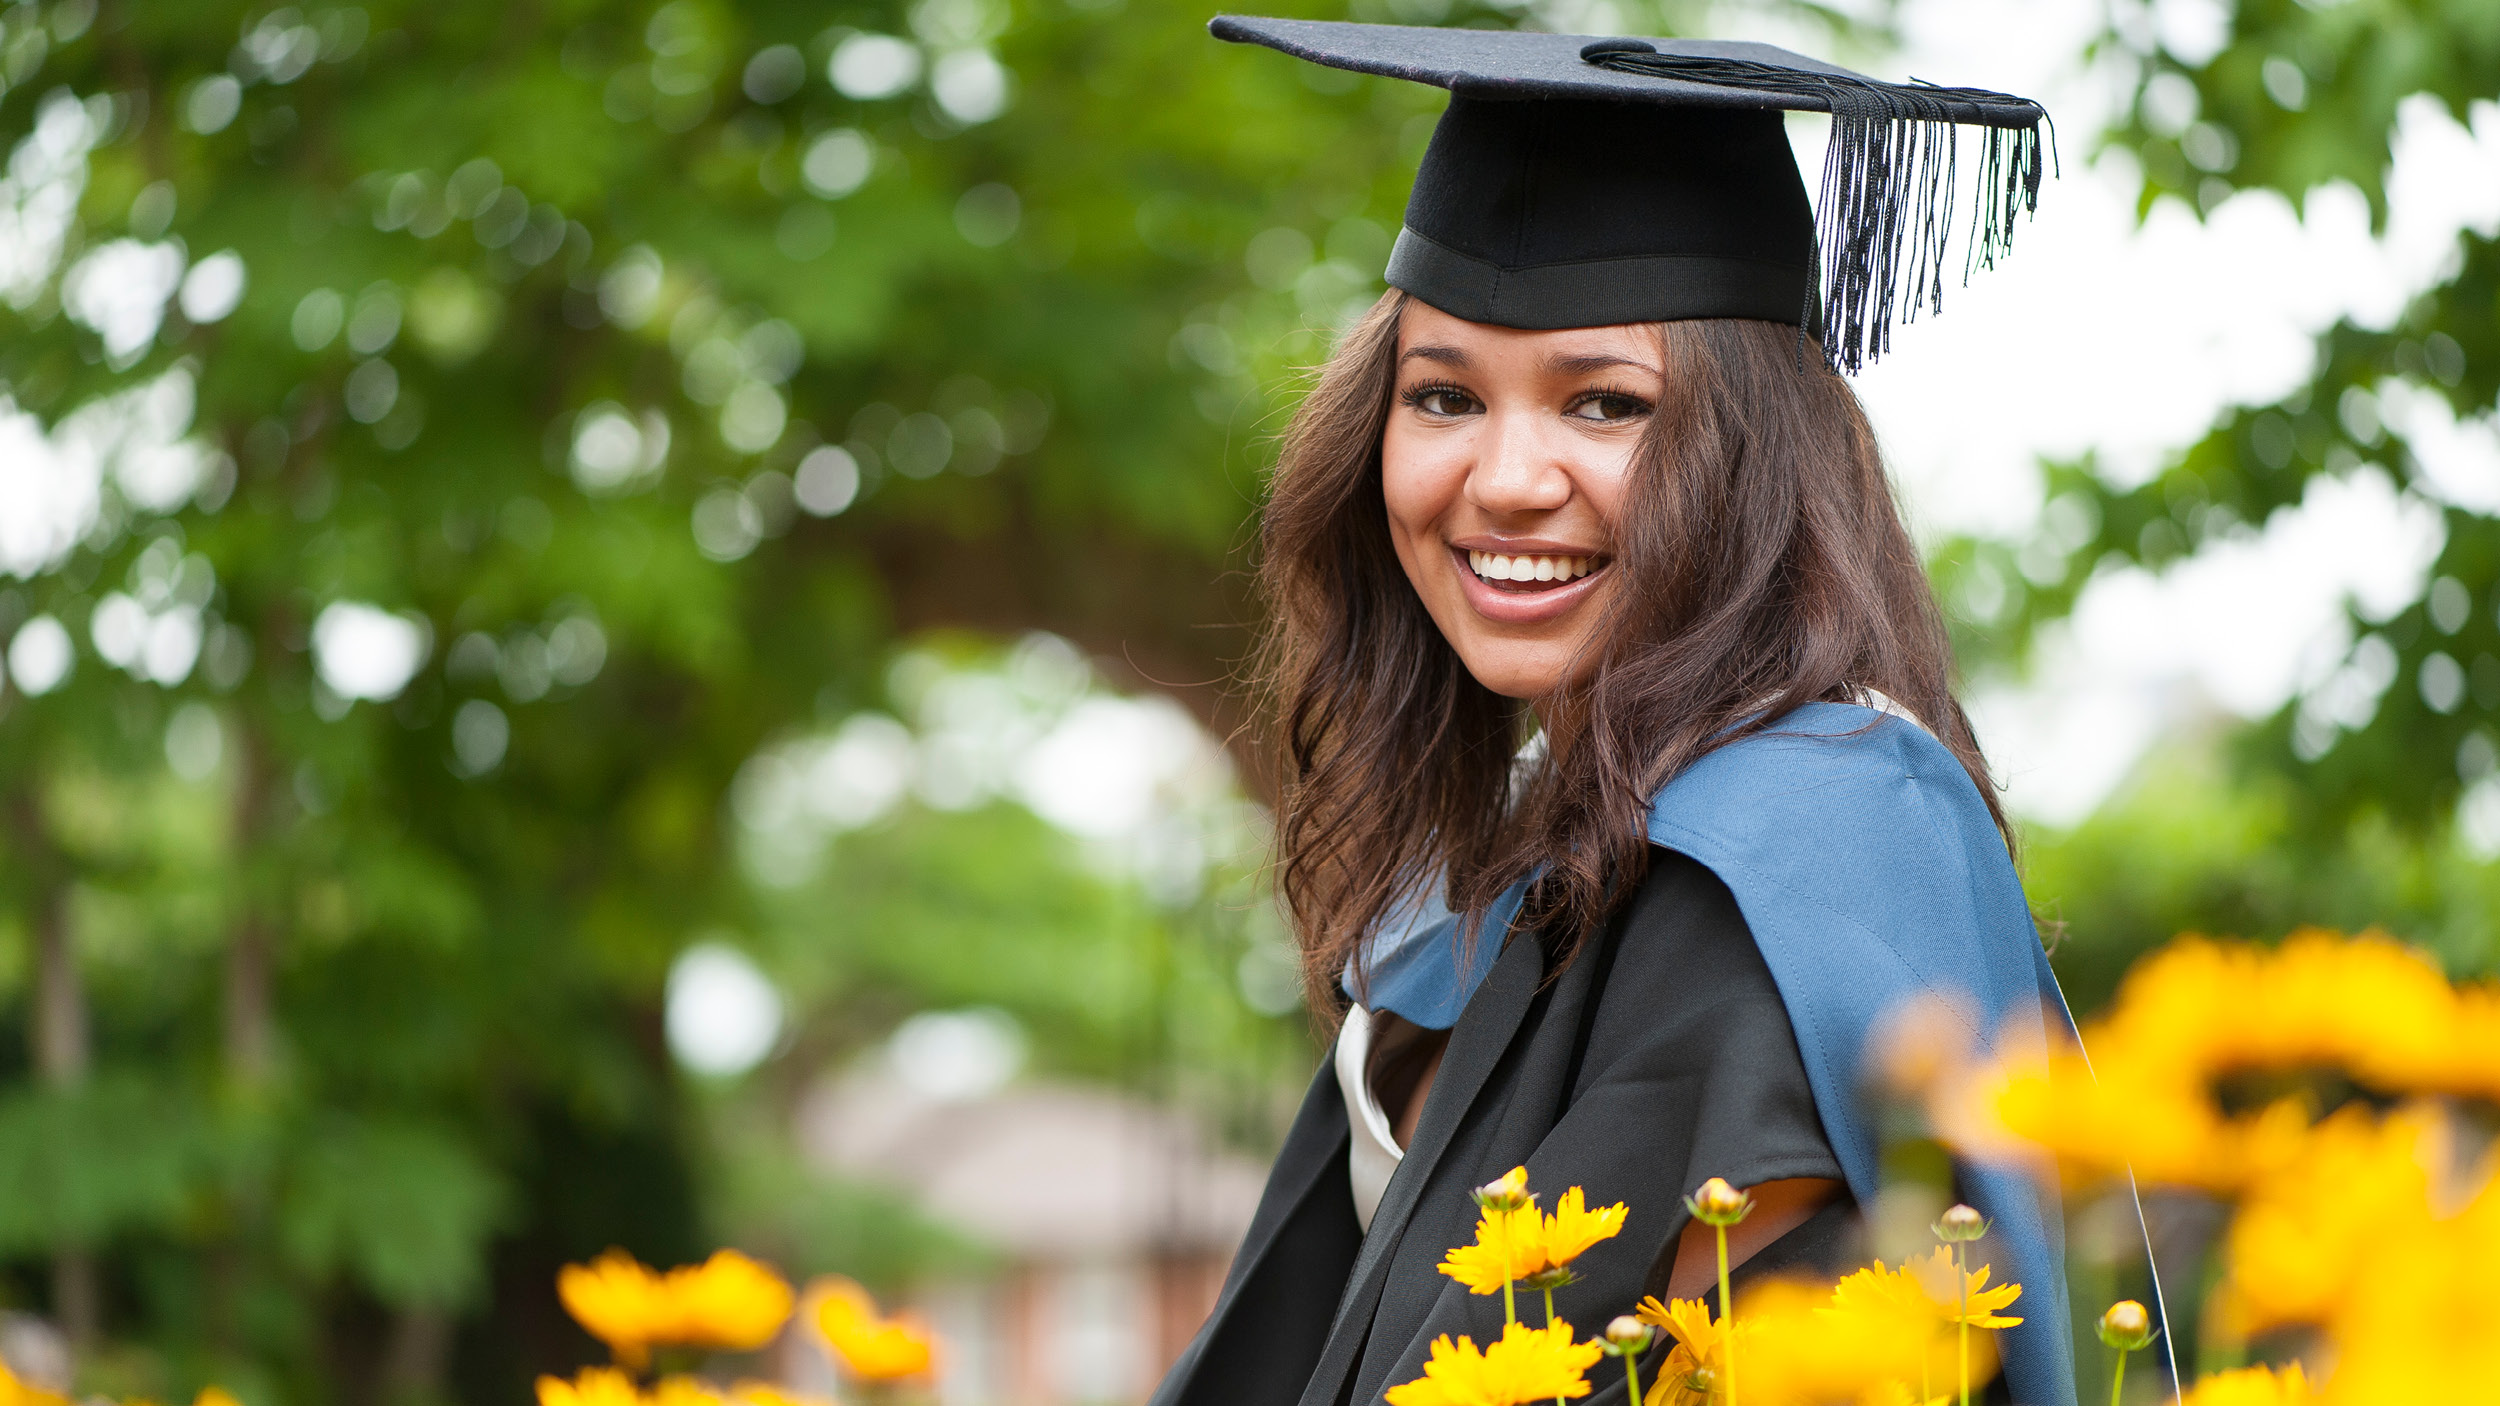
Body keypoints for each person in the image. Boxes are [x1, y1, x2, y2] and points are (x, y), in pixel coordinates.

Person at [1152, 17, 2099, 1406]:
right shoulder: (1512, 889)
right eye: (1442, 395)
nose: (1505, 477)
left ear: (1754, 453)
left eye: (1604, 402)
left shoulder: (1803, 838)